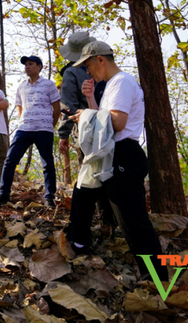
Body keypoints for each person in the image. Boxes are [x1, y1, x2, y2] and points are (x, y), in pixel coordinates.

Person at [68, 41, 168, 282]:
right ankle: (78, 245)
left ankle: (157, 278)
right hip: (110, 152)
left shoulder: (122, 82)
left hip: (123, 153)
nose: (88, 72)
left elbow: (118, 122)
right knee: (83, 193)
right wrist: (91, 101)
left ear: (100, 59)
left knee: (133, 221)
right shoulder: (113, 84)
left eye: (89, 65)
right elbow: (104, 122)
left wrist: (86, 115)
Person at [57, 31, 115, 229]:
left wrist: (64, 134)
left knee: (91, 174)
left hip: (88, 129)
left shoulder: (70, 72)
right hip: (111, 125)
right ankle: (111, 218)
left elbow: (68, 105)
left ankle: (100, 220)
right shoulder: (105, 67)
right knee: (110, 170)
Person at [0, 56, 61, 208]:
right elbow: (19, 108)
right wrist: (24, 120)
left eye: (31, 64)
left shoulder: (49, 85)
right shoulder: (21, 86)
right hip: (24, 129)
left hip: (44, 130)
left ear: (39, 66)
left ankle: (49, 197)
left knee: (47, 164)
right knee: (10, 161)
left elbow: (57, 108)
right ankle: (3, 195)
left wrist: (50, 125)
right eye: (26, 64)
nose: (27, 67)